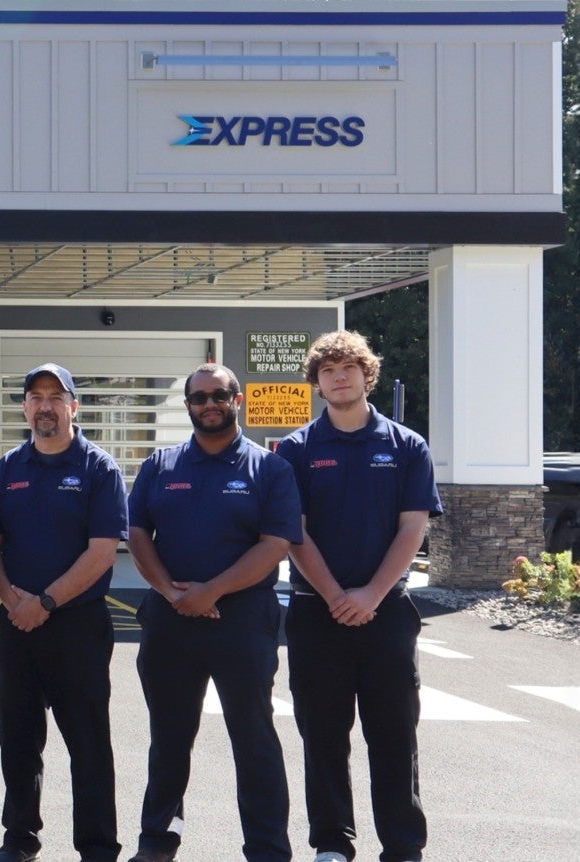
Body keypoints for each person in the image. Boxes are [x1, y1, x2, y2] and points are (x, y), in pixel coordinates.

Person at [125, 363, 302, 862]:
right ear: (188, 406)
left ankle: (268, 848)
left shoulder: (270, 468)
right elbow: (137, 534)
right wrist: (171, 592)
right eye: (199, 398)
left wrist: (212, 592)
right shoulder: (161, 465)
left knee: (254, 739)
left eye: (219, 395)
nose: (209, 405)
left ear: (237, 400)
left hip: (243, 621)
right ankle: (158, 839)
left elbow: (276, 544)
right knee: (169, 739)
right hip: (170, 619)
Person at [275, 332, 440, 862]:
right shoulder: (296, 450)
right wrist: (334, 596)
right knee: (323, 735)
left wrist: (371, 593)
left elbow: (412, 529)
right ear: (317, 382)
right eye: (328, 370)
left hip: (387, 613)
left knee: (393, 734)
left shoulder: (407, 447)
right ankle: (331, 844)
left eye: (349, 367)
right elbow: (294, 534)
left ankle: (403, 845)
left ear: (367, 374)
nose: (339, 377)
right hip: (314, 612)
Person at [0, 364, 127, 862]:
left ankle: (98, 846)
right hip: (16, 623)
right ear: (24, 407)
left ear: (73, 406)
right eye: (35, 396)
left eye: (55, 396)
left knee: (88, 743)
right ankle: (20, 839)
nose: (45, 405)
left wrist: (45, 602)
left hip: (77, 627)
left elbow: (102, 551)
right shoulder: (9, 467)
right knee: (17, 740)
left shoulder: (98, 468)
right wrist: (11, 599)